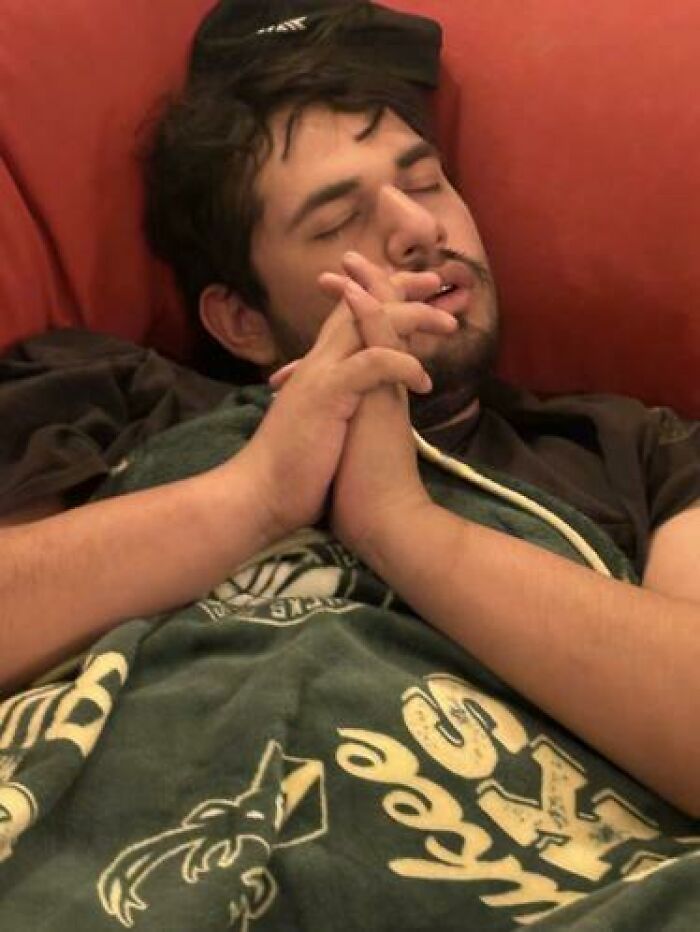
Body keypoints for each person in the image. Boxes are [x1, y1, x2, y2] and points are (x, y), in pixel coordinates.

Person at [1, 0, 698, 813]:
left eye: (427, 181)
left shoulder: (637, 449)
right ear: (242, 322)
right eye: (338, 220)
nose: (417, 229)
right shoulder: (103, 395)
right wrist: (253, 496)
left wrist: (401, 525)